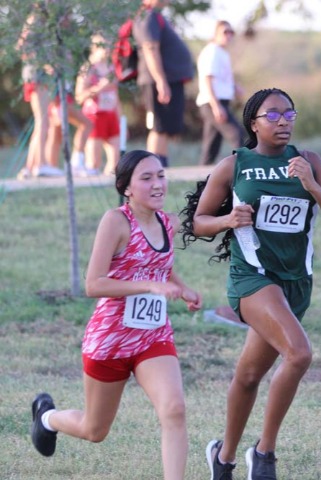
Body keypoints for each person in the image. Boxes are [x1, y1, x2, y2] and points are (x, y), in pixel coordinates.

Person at [180, 88, 321, 480]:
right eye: (273, 115)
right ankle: (264, 453)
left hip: (296, 284)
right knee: (299, 354)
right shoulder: (234, 165)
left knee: (248, 376)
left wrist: (312, 185)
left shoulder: (309, 162)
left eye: (289, 113)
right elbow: (198, 222)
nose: (283, 121)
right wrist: (227, 220)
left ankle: (223, 457)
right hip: (253, 278)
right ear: (253, 123)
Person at [29, 149, 202, 480]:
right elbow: (93, 284)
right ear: (127, 188)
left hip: (152, 336)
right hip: (110, 339)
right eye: (146, 178)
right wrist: (149, 286)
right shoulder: (116, 221)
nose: (157, 184)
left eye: (161, 176)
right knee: (94, 430)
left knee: (174, 409)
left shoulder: (167, 222)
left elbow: (156, 264)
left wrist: (183, 288)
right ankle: (47, 418)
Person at [133, 0, 194, 168]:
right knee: (158, 126)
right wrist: (161, 81)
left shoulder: (156, 16)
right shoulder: (147, 16)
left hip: (168, 80)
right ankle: (153, 167)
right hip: (157, 80)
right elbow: (150, 48)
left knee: (165, 127)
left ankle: (161, 166)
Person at [16, 2, 64, 179]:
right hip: (37, 76)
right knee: (42, 121)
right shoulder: (36, 19)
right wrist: (44, 64)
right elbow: (24, 46)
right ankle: (40, 164)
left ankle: (30, 167)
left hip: (39, 76)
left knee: (42, 121)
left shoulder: (43, 20)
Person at [196, 20, 245, 166]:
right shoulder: (212, 52)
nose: (229, 35)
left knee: (212, 143)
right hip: (212, 101)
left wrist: (234, 87)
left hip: (220, 101)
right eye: (225, 32)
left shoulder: (222, 53)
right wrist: (216, 106)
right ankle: (242, 168)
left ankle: (204, 172)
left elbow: (221, 78)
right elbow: (207, 79)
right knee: (237, 134)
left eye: (231, 32)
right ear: (215, 34)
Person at [75, 33, 122, 175]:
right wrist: (98, 88)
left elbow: (116, 95)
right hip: (95, 116)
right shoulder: (89, 68)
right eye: (104, 46)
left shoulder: (111, 68)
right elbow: (79, 96)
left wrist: (119, 118)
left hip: (111, 114)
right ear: (95, 47)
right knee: (94, 163)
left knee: (116, 163)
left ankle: (112, 185)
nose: (108, 49)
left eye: (109, 46)